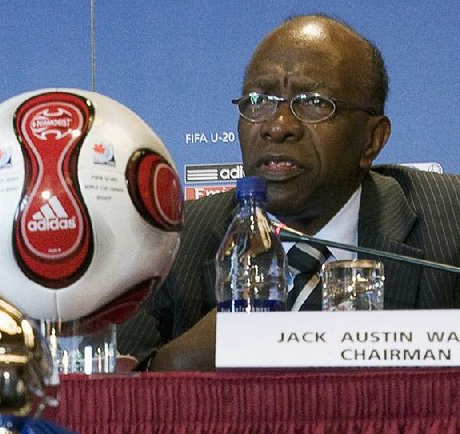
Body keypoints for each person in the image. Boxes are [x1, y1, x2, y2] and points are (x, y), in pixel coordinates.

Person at [117, 14, 460, 370]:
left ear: (372, 140)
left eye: (313, 102)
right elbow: (101, 398)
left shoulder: (450, 224)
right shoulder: (171, 241)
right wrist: (175, 365)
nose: (277, 127)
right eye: (259, 100)